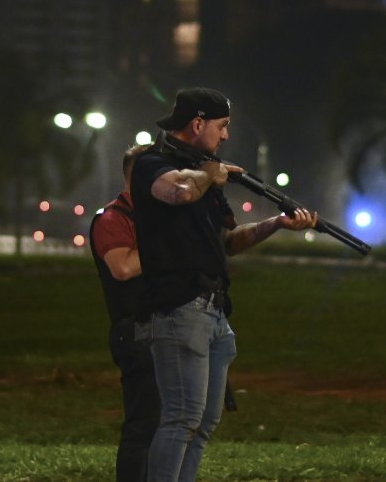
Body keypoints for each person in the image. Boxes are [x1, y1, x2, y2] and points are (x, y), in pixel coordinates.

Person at [131, 88, 318, 482]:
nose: (226, 136)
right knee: (181, 418)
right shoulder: (153, 163)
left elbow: (228, 241)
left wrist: (277, 223)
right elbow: (179, 191)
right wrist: (210, 176)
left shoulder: (205, 174)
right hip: (179, 308)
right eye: (222, 126)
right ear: (198, 124)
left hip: (213, 311)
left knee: (202, 424)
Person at [89, 143, 159, 482]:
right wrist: (168, 241)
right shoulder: (112, 218)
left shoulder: (152, 219)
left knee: (168, 424)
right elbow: (123, 268)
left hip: (161, 328)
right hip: (136, 331)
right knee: (144, 425)